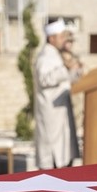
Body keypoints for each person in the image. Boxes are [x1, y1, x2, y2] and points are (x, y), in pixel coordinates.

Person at [33, 18, 82, 169]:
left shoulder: (55, 55)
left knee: (64, 152)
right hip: (51, 114)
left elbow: (63, 78)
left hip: (61, 112)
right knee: (52, 157)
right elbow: (45, 79)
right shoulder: (45, 57)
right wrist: (66, 69)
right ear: (51, 38)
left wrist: (76, 72)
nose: (63, 41)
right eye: (61, 37)